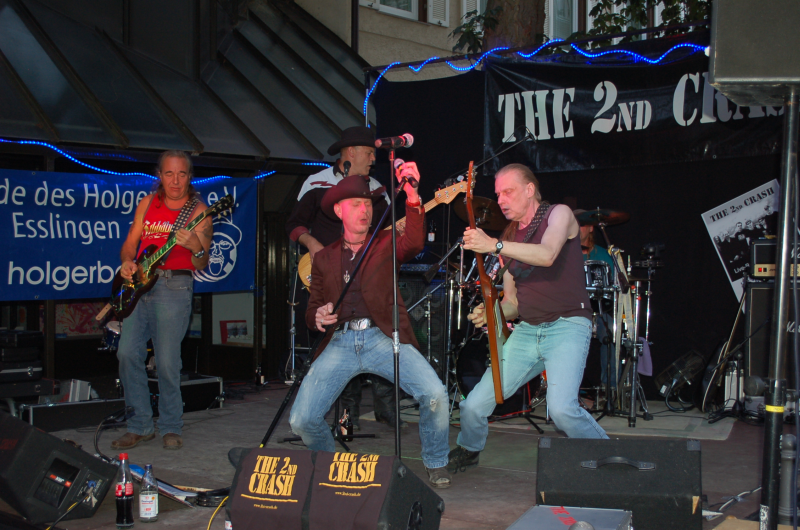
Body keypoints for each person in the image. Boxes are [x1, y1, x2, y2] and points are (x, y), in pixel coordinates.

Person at [288, 167, 451, 488]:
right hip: (340, 342)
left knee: (435, 394)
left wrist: (413, 197)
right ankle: (331, 463)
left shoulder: (386, 244)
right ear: (339, 211)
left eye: (367, 204)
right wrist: (318, 317)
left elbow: (414, 241)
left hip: (383, 338)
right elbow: (311, 310)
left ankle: (436, 461)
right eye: (355, 204)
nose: (364, 210)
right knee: (301, 420)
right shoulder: (324, 259)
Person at [448, 163, 608, 473]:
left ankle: (609, 459)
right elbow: (513, 303)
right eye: (498, 194)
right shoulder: (509, 237)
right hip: (528, 330)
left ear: (530, 189)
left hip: (567, 326)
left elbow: (547, 254)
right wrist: (492, 312)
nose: (501, 200)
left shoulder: (559, 214)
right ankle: (469, 448)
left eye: (508, 192)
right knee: (473, 405)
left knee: (562, 411)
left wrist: (494, 245)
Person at [285, 126, 399, 430]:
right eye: (369, 152)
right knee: (338, 333)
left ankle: (385, 407)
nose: (374, 159)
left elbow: (388, 229)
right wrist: (313, 245)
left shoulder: (376, 188)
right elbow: (294, 225)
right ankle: (347, 413)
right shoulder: (317, 182)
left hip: (367, 275)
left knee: (381, 329)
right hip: (328, 275)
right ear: (350, 153)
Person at [112, 150, 213, 451]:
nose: (175, 180)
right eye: (169, 173)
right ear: (160, 175)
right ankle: (139, 426)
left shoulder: (199, 211)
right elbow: (131, 242)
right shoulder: (147, 202)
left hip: (174, 286)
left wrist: (195, 245)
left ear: (189, 177)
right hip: (140, 286)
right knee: (127, 353)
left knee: (168, 362)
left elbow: (202, 261)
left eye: (181, 174)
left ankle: (170, 425)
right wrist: (127, 262)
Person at [573, 209, 617, 396]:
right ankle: (571, 388)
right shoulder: (561, 254)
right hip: (571, 311)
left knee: (612, 332)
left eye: (581, 224)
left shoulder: (605, 255)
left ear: (591, 228)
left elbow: (615, 287)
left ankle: (610, 389)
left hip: (598, 310)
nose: (577, 229)